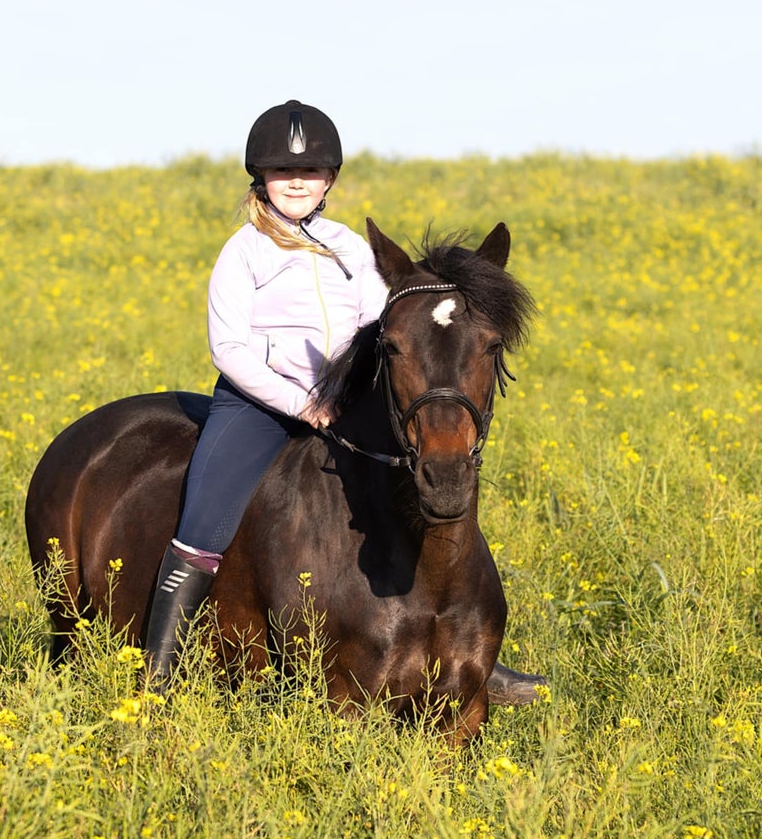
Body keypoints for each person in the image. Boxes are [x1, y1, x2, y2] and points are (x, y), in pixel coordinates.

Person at [144, 99, 546, 705]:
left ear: (329, 178)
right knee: (205, 521)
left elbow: (379, 324)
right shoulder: (244, 250)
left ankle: (468, 653)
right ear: (261, 178)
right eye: (282, 171)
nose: (296, 181)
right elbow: (228, 348)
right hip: (257, 406)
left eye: (309, 171)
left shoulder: (350, 248)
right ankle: (159, 669)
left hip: (342, 400)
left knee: (428, 487)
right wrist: (300, 402)